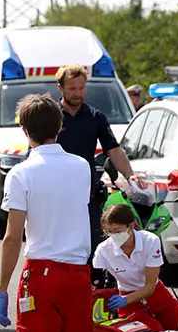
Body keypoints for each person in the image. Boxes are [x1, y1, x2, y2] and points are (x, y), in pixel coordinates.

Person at [0, 93, 96, 332]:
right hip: (78, 276)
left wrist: (2, 288)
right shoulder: (82, 166)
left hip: (41, 275)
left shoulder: (21, 173)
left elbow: (12, 236)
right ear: (60, 127)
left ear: (24, 131)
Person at [54, 64, 135, 279]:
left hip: (87, 197)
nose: (77, 93)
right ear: (60, 88)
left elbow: (114, 150)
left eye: (81, 88)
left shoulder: (95, 116)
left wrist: (130, 175)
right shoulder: (51, 116)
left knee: (93, 251)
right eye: (72, 88)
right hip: (57, 197)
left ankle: (93, 294)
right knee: (60, 251)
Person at [93, 204, 178, 332]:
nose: (113, 236)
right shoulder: (103, 250)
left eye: (117, 231)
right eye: (109, 232)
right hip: (129, 303)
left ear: (130, 226)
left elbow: (150, 287)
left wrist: (125, 300)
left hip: (155, 294)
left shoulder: (150, 241)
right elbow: (94, 283)